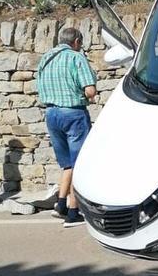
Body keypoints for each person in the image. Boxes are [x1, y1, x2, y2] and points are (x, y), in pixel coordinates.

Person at [36, 27, 97, 227]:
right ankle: (73, 212)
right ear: (77, 41)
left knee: (67, 164)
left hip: (51, 114)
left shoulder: (46, 58)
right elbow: (90, 91)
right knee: (80, 164)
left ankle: (61, 204)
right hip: (73, 114)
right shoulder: (76, 58)